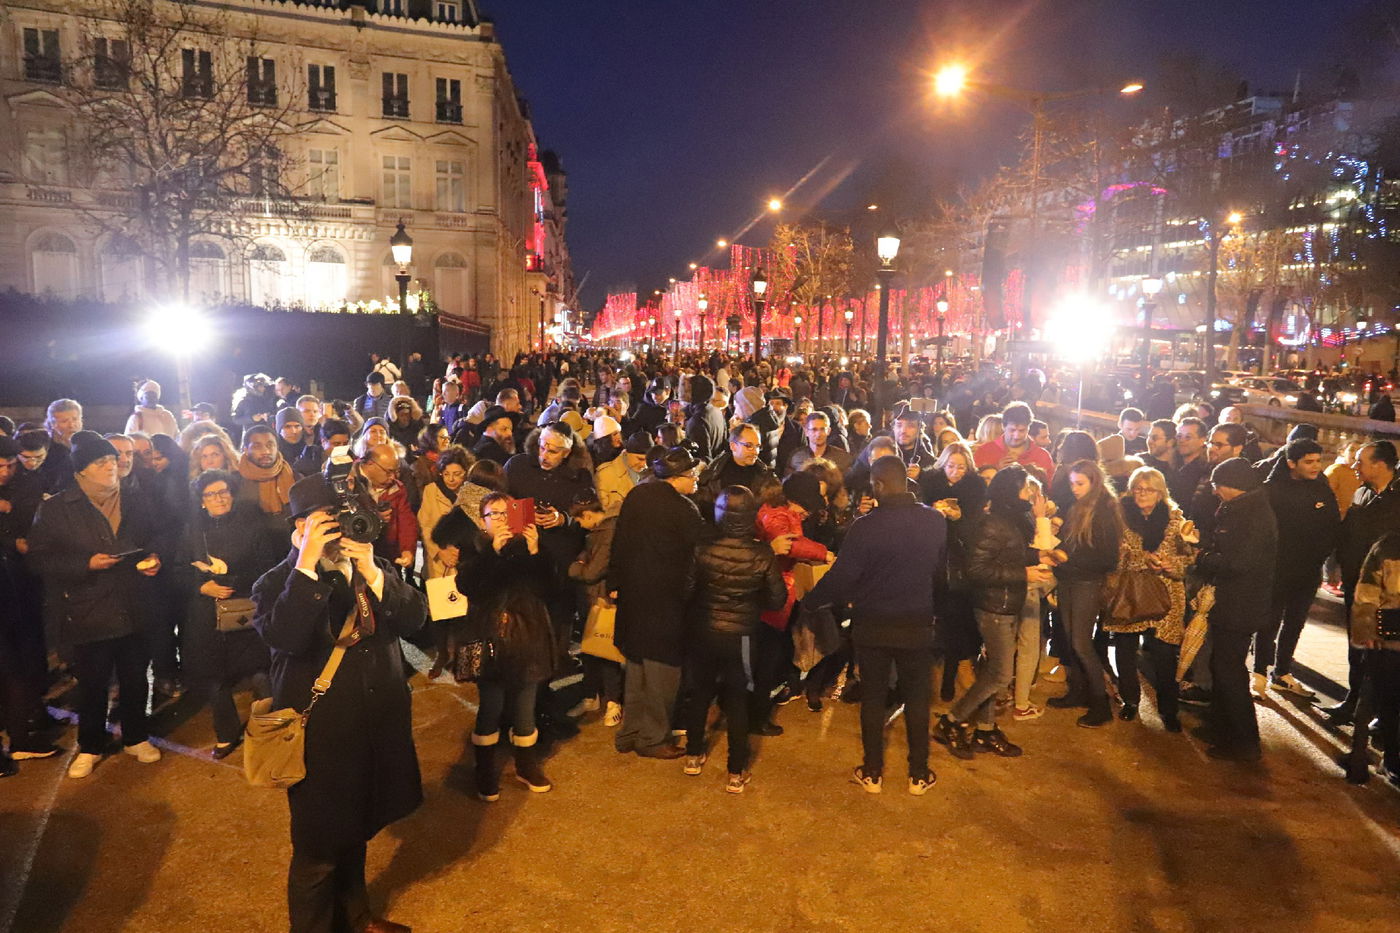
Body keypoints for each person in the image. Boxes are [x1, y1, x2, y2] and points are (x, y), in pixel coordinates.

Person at [253, 473, 426, 933]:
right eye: (321, 521)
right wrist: (306, 566)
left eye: (340, 518)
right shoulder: (276, 583)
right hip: (322, 736)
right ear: (298, 527)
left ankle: (356, 917)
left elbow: (415, 620)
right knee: (318, 850)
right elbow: (286, 637)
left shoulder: (370, 565)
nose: (335, 529)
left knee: (356, 828)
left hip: (376, 723)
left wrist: (372, 571)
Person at [805, 456, 947, 796]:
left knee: (873, 697)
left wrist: (811, 601)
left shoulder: (865, 527)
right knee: (917, 699)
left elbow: (842, 577)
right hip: (916, 623)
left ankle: (872, 772)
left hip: (873, 625)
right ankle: (918, 774)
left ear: (879, 485)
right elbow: (940, 574)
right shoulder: (934, 521)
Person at [28, 432, 164, 779]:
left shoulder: (135, 498)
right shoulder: (57, 508)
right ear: (82, 470)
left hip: (134, 604)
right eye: (101, 462)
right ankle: (90, 745)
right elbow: (40, 558)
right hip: (88, 610)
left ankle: (136, 737)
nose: (111, 466)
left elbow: (157, 535)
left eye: (112, 460)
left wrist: (155, 558)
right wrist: (86, 564)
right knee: (92, 684)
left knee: (136, 678)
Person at [937, 465, 1050, 759]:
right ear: (1011, 492)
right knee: (1001, 675)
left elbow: (1010, 553)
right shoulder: (992, 523)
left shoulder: (1011, 520)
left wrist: (1040, 555)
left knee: (991, 671)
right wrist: (1024, 574)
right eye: (1025, 488)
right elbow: (976, 569)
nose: (1029, 493)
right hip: (993, 608)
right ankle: (951, 720)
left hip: (1006, 604)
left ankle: (985, 729)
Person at [681, 485, 788, 792]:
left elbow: (687, 590)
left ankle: (693, 755)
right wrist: (751, 602)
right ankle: (735, 772)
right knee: (738, 700)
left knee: (700, 693)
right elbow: (777, 600)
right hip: (742, 635)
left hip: (704, 631)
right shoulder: (762, 553)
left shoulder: (702, 549)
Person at [454, 492, 558, 799]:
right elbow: (468, 587)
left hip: (528, 636)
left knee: (526, 707)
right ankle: (485, 769)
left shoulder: (529, 547)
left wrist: (536, 551)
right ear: (482, 521)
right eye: (494, 514)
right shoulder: (474, 548)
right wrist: (493, 554)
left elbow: (551, 589)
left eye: (506, 512)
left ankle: (526, 765)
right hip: (489, 637)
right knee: (491, 706)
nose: (501, 519)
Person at [173, 470, 282, 757]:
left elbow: (268, 567)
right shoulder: (193, 531)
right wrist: (202, 586)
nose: (218, 499)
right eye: (210, 495)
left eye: (223, 492)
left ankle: (271, 728)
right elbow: (178, 570)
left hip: (246, 608)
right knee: (214, 676)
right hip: (207, 614)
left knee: (260, 672)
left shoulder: (252, 525)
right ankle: (226, 733)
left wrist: (231, 580)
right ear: (202, 501)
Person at [610, 447, 706, 759]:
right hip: (666, 605)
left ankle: (630, 733)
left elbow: (619, 541)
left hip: (634, 600)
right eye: (692, 475)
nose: (695, 480)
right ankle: (652, 738)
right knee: (663, 676)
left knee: (636, 671)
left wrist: (614, 584)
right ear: (677, 478)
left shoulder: (637, 496)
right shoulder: (684, 509)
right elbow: (699, 553)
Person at [1196, 458, 1277, 761]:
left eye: (1218, 486)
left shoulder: (1253, 516)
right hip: (1235, 602)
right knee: (1222, 666)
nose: (1215, 492)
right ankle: (1223, 729)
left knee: (1229, 670)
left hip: (1241, 605)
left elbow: (1238, 563)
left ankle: (1243, 741)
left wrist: (1203, 558)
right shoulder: (1242, 509)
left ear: (1233, 486)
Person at [1105, 467, 1192, 731]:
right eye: (1138, 489)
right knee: (1125, 649)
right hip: (1129, 592)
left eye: (1149, 489)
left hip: (1166, 594)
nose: (1142, 494)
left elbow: (1189, 557)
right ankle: (1131, 701)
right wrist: (1144, 558)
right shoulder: (1118, 517)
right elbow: (1112, 555)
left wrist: (1172, 565)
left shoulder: (1177, 520)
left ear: (1160, 493)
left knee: (1164, 655)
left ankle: (1169, 710)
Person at [1254, 438, 1339, 699]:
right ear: (1292, 463)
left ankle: (1281, 672)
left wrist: (1321, 556)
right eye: (1309, 461)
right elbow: (1262, 531)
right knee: (1268, 622)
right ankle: (1258, 674)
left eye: (1318, 461)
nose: (1316, 466)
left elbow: (1332, 525)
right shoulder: (1271, 490)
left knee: (1295, 623)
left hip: (1308, 570)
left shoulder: (1322, 489)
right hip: (1277, 569)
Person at [1328, 440, 1400, 725]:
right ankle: (1354, 702)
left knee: (1386, 654)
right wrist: (1338, 563)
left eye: (1361, 462)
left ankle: (1384, 715)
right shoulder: (1361, 492)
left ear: (1380, 465)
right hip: (1356, 585)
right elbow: (1348, 532)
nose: (1354, 466)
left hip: (1389, 593)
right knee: (1356, 647)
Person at [1047, 459, 1124, 728]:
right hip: (1070, 579)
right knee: (1071, 640)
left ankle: (1100, 703)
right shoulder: (1077, 507)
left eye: (1080, 484)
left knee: (1081, 642)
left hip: (1086, 582)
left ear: (1094, 482)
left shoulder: (1104, 511)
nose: (1075, 489)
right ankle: (1078, 691)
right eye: (1072, 483)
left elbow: (1108, 558)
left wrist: (1069, 559)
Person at [566, 497, 623, 725]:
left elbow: (592, 572)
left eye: (580, 521)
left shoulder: (608, 533)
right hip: (593, 599)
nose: (580, 526)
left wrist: (576, 567)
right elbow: (586, 558)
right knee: (590, 649)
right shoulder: (600, 532)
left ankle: (612, 702)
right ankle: (592, 695)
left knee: (605, 650)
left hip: (602, 599)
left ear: (588, 515)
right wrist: (583, 561)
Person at [1350, 531, 1400, 782]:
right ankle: (1377, 757)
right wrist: (1366, 632)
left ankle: (1388, 756)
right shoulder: (1389, 546)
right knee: (1380, 699)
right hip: (1387, 641)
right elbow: (1366, 594)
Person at [696, 424, 779, 522]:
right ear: (733, 446)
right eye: (749, 446)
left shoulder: (766, 477)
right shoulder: (711, 476)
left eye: (758, 446)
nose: (756, 452)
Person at [357, 443, 418, 573]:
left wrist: (407, 549)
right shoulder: (349, 482)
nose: (393, 477)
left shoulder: (397, 489)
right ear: (370, 464)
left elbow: (406, 520)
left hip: (388, 557)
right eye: (389, 471)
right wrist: (374, 518)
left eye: (396, 471)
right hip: (356, 556)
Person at [974, 402, 1055, 481]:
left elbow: (1047, 487)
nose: (1017, 436)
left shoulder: (1042, 456)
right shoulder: (984, 451)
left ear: (1029, 428)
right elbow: (976, 485)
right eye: (1012, 430)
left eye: (1022, 430)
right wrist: (995, 471)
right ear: (1003, 426)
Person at [237, 424, 296, 517]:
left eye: (270, 445)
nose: (266, 452)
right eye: (257, 446)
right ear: (246, 450)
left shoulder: (293, 476)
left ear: (277, 448)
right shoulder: (235, 481)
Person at [595, 431, 649, 518]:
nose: (644, 465)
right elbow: (602, 514)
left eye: (647, 460)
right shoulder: (605, 475)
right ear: (626, 453)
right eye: (640, 459)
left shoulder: (653, 475)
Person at [787, 410, 853, 477]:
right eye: (814, 429)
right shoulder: (796, 457)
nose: (818, 434)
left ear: (828, 431)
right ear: (806, 432)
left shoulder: (842, 458)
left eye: (822, 429)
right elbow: (788, 481)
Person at [1168, 417, 1210, 514]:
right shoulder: (1172, 464)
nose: (1182, 441)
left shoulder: (1206, 470)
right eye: (1179, 436)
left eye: (1188, 437)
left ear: (1202, 440)